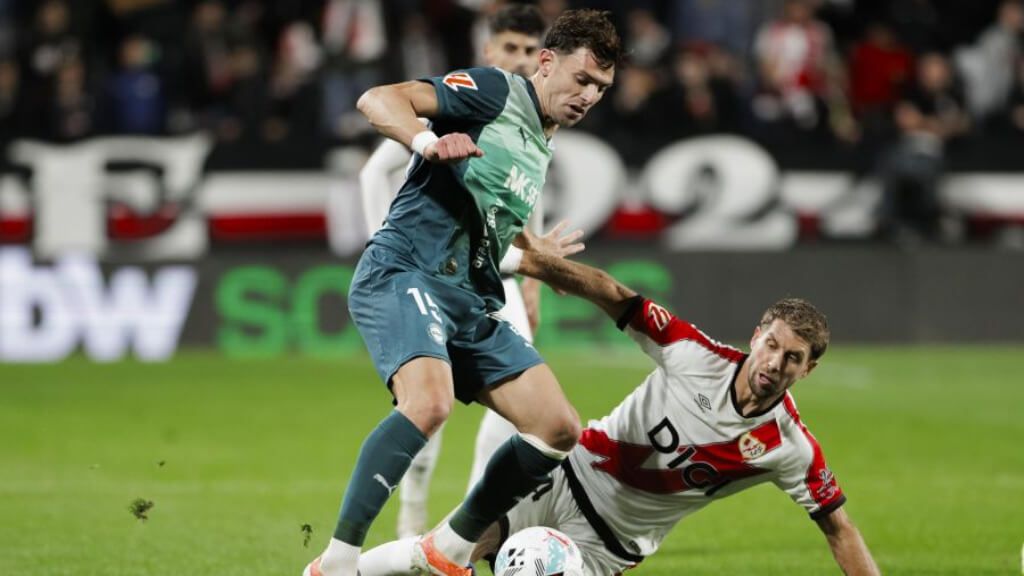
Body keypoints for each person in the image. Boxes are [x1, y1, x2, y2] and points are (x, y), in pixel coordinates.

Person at [355, 230, 881, 576]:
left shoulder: (790, 447)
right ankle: (332, 572)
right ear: (757, 335)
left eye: (793, 358)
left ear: (807, 369)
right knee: (440, 557)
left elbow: (839, 528)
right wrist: (527, 262)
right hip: (561, 477)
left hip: (604, 547)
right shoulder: (694, 353)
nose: (774, 364)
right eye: (772, 345)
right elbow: (614, 294)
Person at [304, 10, 622, 576]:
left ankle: (448, 548)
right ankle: (338, 562)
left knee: (559, 428)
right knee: (429, 404)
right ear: (546, 63)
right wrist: (426, 143)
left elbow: (488, 206)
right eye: (582, 79)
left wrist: (531, 248)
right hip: (405, 271)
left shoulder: (542, 140)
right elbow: (378, 99)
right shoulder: (495, 90)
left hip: (469, 297)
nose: (588, 96)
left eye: (600, 88)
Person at [357, 4, 548, 540]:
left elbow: (530, 202)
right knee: (428, 400)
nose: (521, 60)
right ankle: (412, 511)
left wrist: (534, 280)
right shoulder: (470, 98)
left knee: (519, 407)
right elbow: (376, 171)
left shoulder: (540, 113)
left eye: (531, 52)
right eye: (510, 49)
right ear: (490, 50)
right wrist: (386, 250)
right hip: (435, 273)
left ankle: (467, 519)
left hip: (501, 275)